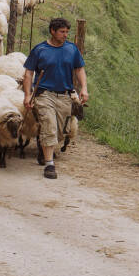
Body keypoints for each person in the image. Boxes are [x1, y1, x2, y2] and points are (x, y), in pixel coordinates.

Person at [23, 17, 88, 179]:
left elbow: (79, 69)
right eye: (62, 32)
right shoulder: (40, 50)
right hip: (44, 94)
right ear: (52, 31)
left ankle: (45, 148)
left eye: (67, 32)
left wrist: (84, 89)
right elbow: (29, 73)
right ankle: (49, 164)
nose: (65, 35)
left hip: (65, 95)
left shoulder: (72, 49)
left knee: (61, 131)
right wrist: (27, 94)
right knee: (49, 126)